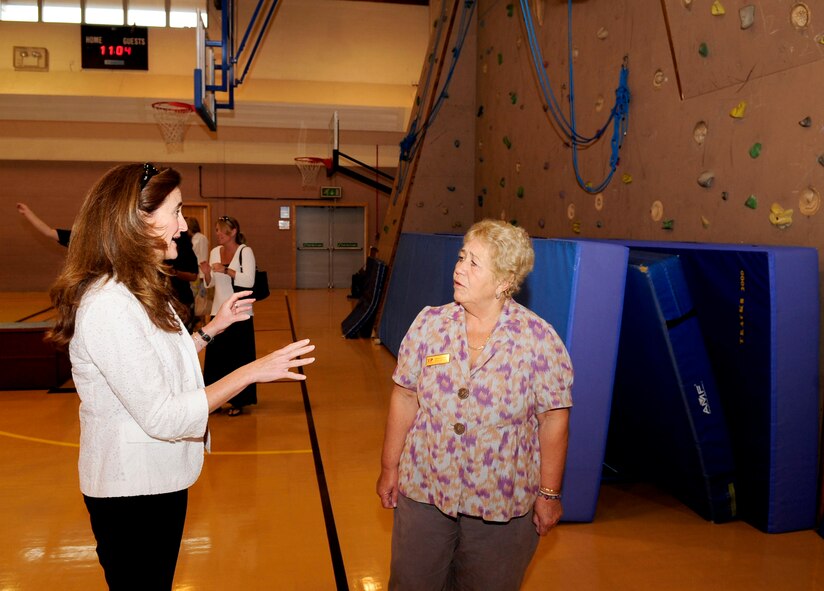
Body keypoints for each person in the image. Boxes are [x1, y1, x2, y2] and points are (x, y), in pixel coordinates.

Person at [46, 163, 315, 590]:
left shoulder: (138, 287)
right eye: (175, 211)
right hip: (131, 490)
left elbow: (155, 366)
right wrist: (250, 372)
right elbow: (163, 414)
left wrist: (211, 330)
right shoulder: (109, 304)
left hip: (157, 478)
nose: (184, 224)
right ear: (136, 223)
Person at [376, 219, 573, 590]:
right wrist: (390, 467)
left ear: (503, 282)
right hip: (425, 487)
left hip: (501, 501)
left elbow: (553, 421)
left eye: (473, 263)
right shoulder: (429, 325)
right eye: (461, 257)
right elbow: (404, 396)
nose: (459, 268)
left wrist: (549, 494)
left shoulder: (539, 340)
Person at [200, 215, 258, 416]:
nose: (217, 234)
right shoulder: (215, 251)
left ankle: (239, 400)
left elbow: (249, 281)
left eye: (220, 230)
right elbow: (211, 284)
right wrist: (207, 273)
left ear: (232, 232)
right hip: (219, 312)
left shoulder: (245, 252)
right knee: (217, 361)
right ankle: (215, 400)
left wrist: (226, 270)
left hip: (241, 313)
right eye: (216, 230)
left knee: (238, 360)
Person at [166, 231, 198, 333]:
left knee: (185, 334)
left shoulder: (187, 252)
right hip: (167, 298)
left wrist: (175, 272)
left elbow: (193, 276)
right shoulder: (164, 251)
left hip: (183, 298)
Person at [186, 217, 211, 326]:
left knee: (199, 299)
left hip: (199, 273)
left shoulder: (200, 238)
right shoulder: (192, 238)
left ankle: (203, 322)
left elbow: (202, 257)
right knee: (196, 299)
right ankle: (197, 321)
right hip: (195, 272)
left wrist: (202, 275)